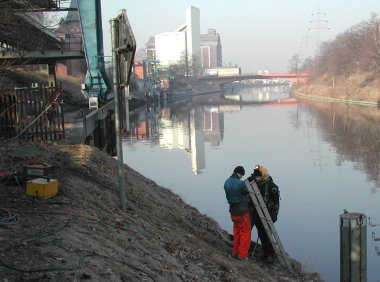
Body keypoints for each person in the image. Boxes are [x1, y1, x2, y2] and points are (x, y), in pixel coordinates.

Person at [247, 165, 279, 264]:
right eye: (255, 177)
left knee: (265, 234)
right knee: (258, 233)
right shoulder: (254, 184)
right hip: (256, 213)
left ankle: (269, 254)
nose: (256, 179)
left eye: (258, 177)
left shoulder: (272, 187)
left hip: (267, 215)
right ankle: (248, 250)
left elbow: (276, 204)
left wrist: (272, 217)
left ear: (263, 177)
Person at [223, 166, 252, 260]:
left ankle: (235, 253)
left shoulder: (226, 182)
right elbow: (249, 192)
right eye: (242, 175)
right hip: (242, 212)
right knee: (245, 233)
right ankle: (242, 256)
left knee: (237, 233)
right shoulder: (240, 183)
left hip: (233, 212)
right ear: (240, 173)